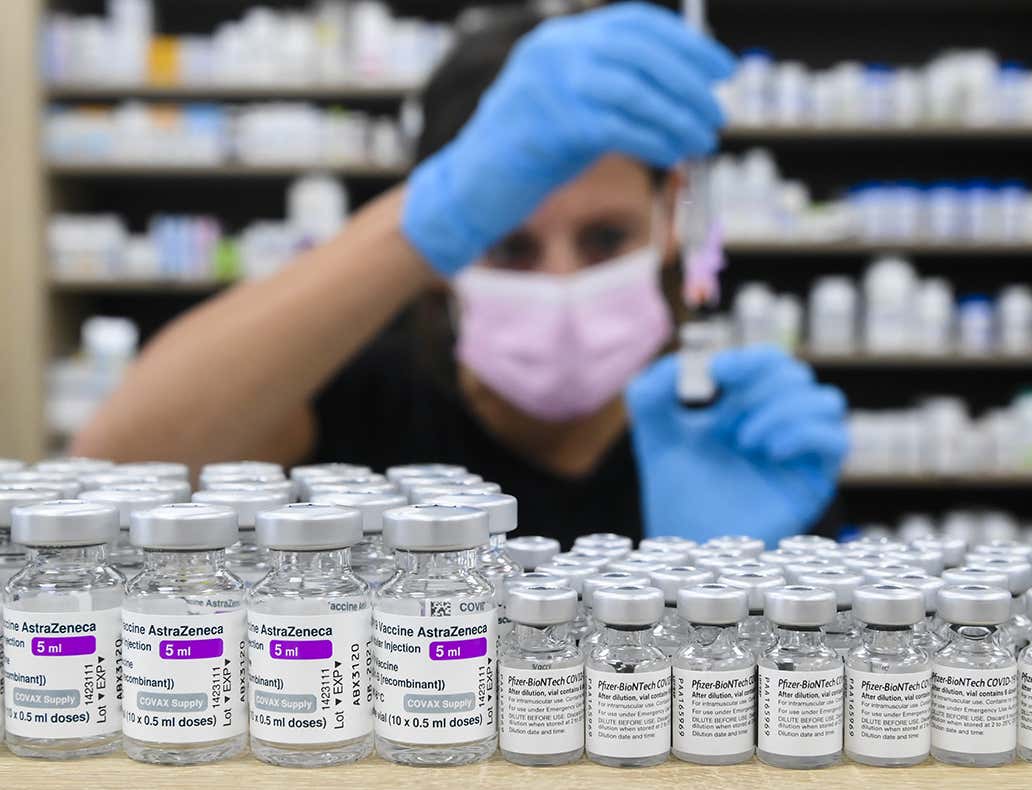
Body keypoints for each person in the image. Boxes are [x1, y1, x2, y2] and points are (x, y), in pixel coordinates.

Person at [71, 3, 847, 548]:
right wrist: (430, 215)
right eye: (508, 246)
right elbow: (109, 473)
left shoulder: (740, 440)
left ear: (673, 216)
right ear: (441, 247)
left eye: (606, 237)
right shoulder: (362, 402)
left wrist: (736, 589)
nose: (562, 285)